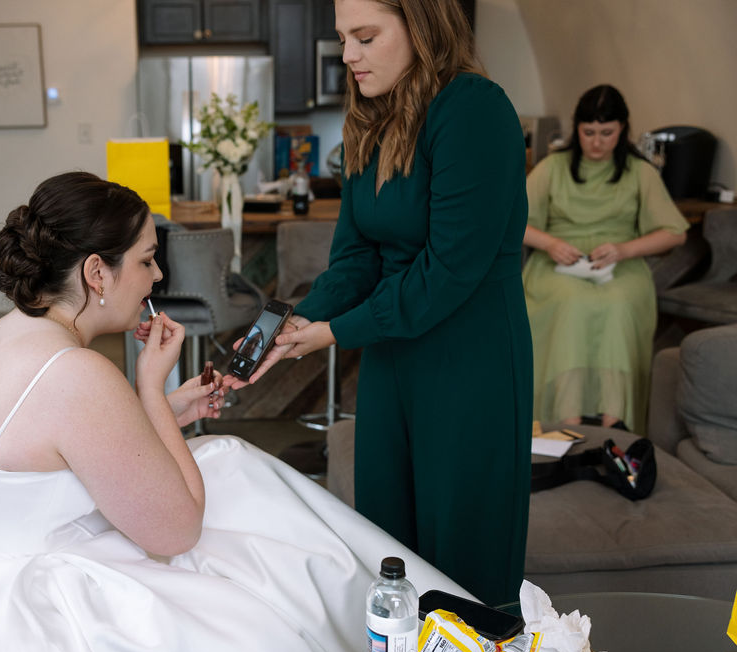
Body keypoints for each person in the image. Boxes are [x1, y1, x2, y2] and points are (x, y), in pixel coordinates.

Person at [0, 171, 469, 652]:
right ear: (97, 272)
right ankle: (404, 630)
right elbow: (178, 532)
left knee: (228, 465)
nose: (158, 275)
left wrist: (167, 410)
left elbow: (54, 448)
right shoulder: (75, 372)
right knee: (246, 513)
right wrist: (151, 388)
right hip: (22, 592)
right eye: (146, 260)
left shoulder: (7, 333)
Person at [226, 0, 532, 607]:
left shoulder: (474, 110)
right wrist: (296, 321)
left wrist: (336, 332)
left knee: (463, 549)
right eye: (343, 38)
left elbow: (448, 272)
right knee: (389, 539)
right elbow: (356, 259)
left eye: (365, 37)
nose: (348, 55)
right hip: (393, 358)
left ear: (421, 25)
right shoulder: (370, 119)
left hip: (468, 360)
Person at [522, 84, 688, 435]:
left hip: (621, 266)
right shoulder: (552, 167)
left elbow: (676, 233)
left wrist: (625, 249)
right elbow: (510, 221)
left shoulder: (640, 172)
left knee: (618, 306)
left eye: (607, 133)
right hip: (557, 267)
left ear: (623, 130)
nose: (597, 142)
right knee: (571, 303)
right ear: (576, 129)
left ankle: (616, 427)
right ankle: (564, 422)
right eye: (589, 133)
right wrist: (550, 243)